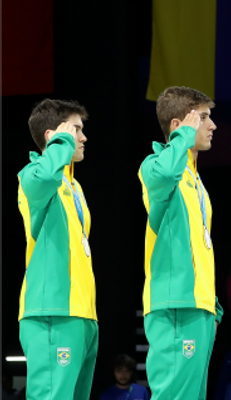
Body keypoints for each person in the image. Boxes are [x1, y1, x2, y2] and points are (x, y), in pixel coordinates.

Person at [139, 86, 223, 399]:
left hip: (196, 307)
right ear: (178, 125)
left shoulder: (194, 179)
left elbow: (198, 247)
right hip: (174, 306)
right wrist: (181, 140)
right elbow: (161, 177)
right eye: (202, 118)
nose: (212, 125)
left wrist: (210, 306)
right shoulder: (156, 165)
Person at [16, 99, 99, 400]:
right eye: (75, 130)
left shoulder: (73, 186)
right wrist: (59, 144)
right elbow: (44, 176)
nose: (83, 137)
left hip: (81, 314)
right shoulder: (34, 175)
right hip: (52, 312)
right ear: (54, 136)